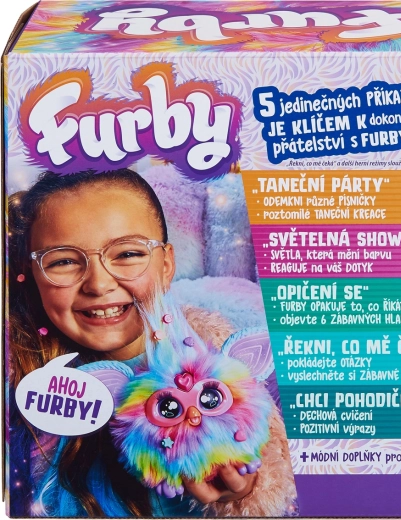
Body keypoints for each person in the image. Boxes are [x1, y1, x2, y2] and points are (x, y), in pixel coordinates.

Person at [8, 169, 296, 518]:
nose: (98, 284)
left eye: (128, 254)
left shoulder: (218, 355)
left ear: (166, 264)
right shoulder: (21, 374)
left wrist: (244, 493)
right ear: (32, 274)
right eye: (63, 261)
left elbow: (277, 466)